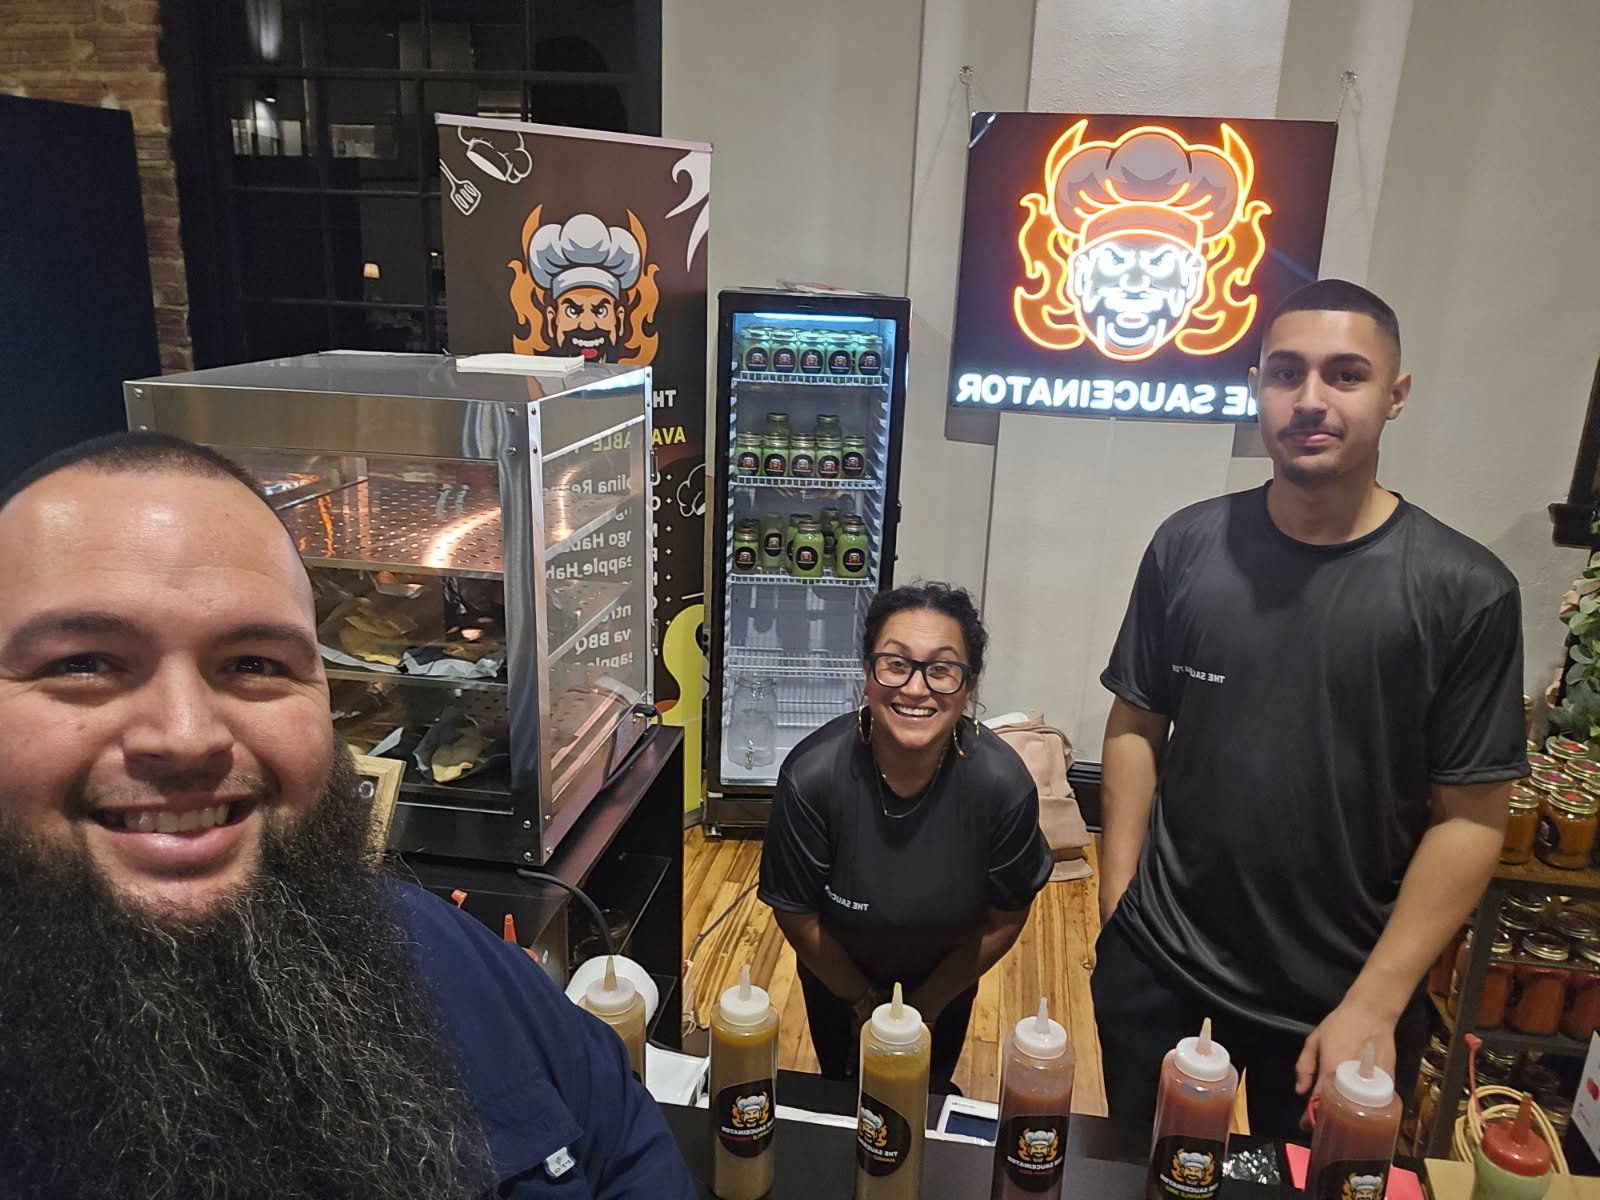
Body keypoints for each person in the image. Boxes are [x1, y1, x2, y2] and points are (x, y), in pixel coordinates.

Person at [0, 432, 695, 1199]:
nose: (187, 734)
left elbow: (622, 1137)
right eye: (82, 663)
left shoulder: (429, 947)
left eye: (253, 665)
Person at [1092, 279, 1527, 1139]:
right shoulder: (1187, 545)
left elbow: (1473, 817)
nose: (1310, 399)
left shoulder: (1464, 590)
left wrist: (1378, 999)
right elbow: (1138, 724)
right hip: (1164, 966)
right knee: (1152, 1175)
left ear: (1395, 396)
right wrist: (1118, 907)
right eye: (1285, 373)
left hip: (1343, 992)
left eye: (1346, 374)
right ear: (1257, 384)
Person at [758, 583, 1053, 1091]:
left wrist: (929, 1005)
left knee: (925, 1094)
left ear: (969, 687)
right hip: (835, 973)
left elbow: (1007, 915)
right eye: (895, 664)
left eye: (941, 669)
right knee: (843, 1090)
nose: (916, 689)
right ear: (867, 677)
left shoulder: (1002, 787)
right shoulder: (812, 778)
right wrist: (862, 1001)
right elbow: (796, 910)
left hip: (948, 974)